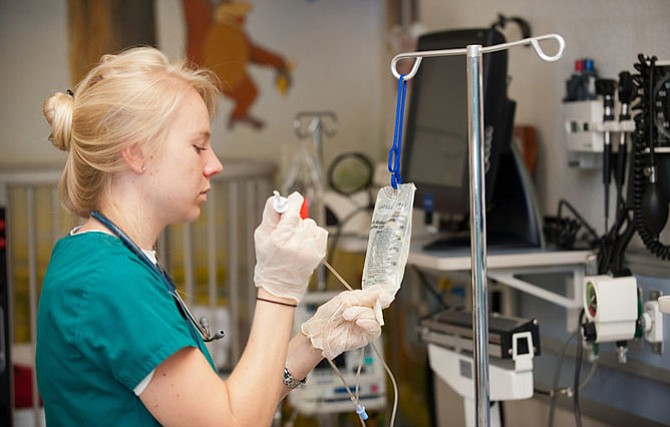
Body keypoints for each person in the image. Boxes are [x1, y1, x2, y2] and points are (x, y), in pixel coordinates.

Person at [36, 46, 385, 427]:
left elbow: (217, 407)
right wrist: (278, 289)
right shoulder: (108, 281)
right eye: (198, 146)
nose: (214, 164)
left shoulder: (97, 257)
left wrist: (312, 344)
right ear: (136, 154)